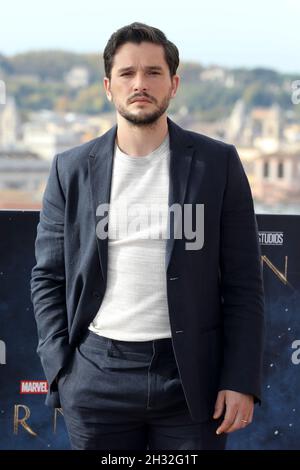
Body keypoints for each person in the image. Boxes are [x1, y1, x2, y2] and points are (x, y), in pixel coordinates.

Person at [30, 22, 265, 451]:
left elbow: (244, 282)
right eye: (127, 73)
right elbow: (48, 276)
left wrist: (239, 378)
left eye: (154, 72)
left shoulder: (218, 163)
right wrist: (61, 370)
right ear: (108, 86)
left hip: (192, 379)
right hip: (97, 375)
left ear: (174, 84)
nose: (141, 84)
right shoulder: (71, 169)